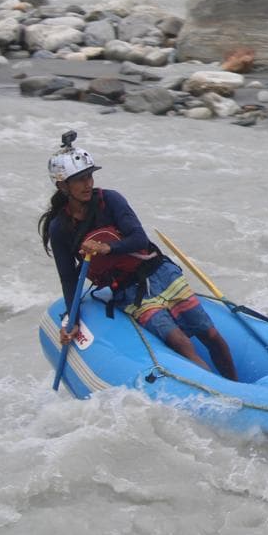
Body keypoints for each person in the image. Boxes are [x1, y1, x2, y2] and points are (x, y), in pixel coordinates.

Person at [38, 131, 237, 379]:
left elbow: (138, 239)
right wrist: (73, 318)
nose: (88, 183)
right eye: (79, 179)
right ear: (62, 185)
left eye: (89, 176)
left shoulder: (110, 200)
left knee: (210, 334)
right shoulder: (60, 228)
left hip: (160, 273)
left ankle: (237, 384)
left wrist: (107, 248)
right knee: (180, 342)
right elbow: (68, 278)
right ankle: (222, 392)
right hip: (130, 291)